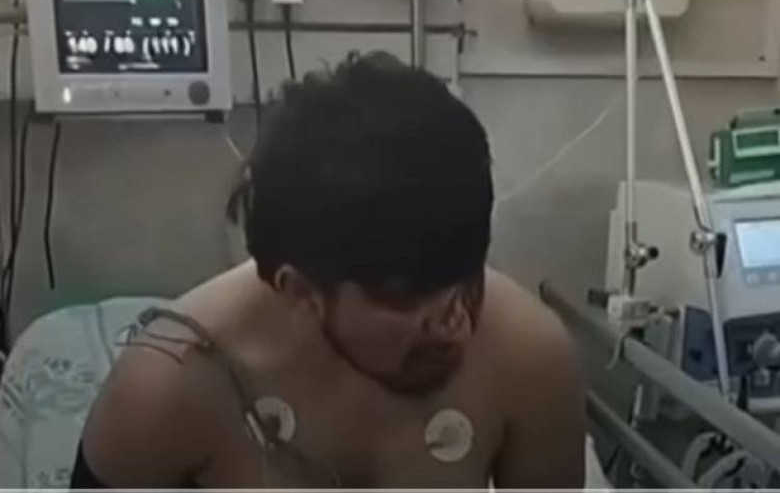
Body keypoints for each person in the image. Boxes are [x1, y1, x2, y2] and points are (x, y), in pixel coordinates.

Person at [70, 52, 585, 489]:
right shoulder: (168, 389)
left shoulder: (529, 357)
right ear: (301, 291)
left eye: (467, 279)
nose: (459, 325)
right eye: (406, 299)